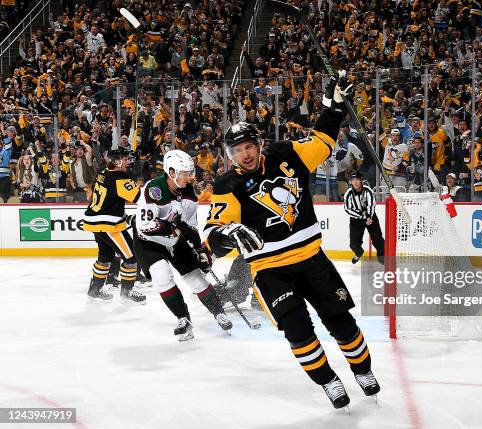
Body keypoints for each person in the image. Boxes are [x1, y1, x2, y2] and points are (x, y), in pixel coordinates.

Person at [202, 72, 380, 410]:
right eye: (238, 151)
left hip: (313, 260)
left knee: (341, 322)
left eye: (249, 147)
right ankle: (329, 381)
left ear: (258, 143)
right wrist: (226, 233)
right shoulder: (227, 186)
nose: (245, 154)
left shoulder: (287, 155)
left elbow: (323, 140)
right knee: (299, 333)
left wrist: (334, 106)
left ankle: (362, 370)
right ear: (230, 154)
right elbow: (212, 232)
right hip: (271, 272)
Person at [134, 149, 232, 341]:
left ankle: (219, 313)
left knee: (195, 277)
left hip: (174, 239)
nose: (190, 177)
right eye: (186, 173)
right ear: (172, 173)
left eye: (190, 172)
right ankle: (183, 319)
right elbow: (145, 225)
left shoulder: (189, 193)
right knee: (162, 276)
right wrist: (176, 230)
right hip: (149, 243)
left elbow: (190, 225)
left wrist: (200, 250)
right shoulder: (153, 189)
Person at [83, 147, 145, 304]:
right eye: (125, 159)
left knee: (105, 256)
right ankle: (127, 291)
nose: (128, 161)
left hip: (95, 221)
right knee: (131, 257)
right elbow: (139, 198)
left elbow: (110, 200)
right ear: (116, 161)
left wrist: (124, 217)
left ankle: (94, 289)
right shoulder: (120, 178)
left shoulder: (104, 173)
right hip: (108, 224)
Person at [343, 171, 385, 264]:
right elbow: (347, 209)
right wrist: (361, 216)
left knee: (378, 240)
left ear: (361, 180)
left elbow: (372, 205)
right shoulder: (348, 194)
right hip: (356, 219)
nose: (355, 182)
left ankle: (383, 259)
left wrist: (369, 217)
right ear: (351, 182)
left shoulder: (368, 190)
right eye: (353, 180)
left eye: (357, 179)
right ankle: (358, 253)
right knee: (353, 244)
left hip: (370, 217)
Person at [0, 124, 15, 203]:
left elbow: (7, 140)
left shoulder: (6, 150)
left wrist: (2, 130)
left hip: (5, 179)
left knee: (5, 199)